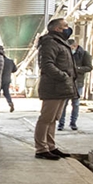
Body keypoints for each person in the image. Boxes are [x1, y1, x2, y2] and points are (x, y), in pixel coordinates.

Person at [33, 18, 75, 160]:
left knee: (53, 119)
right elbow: (47, 65)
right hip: (53, 86)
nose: (68, 28)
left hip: (62, 87)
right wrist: (63, 76)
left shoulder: (60, 42)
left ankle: (50, 146)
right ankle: (41, 149)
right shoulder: (50, 42)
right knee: (46, 118)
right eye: (65, 26)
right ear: (57, 29)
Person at [58, 39, 93, 131]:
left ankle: (73, 123)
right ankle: (61, 123)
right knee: (63, 104)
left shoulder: (84, 54)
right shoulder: (64, 53)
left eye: (71, 48)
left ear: (75, 46)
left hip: (78, 82)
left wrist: (76, 69)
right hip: (66, 82)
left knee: (76, 103)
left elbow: (89, 67)